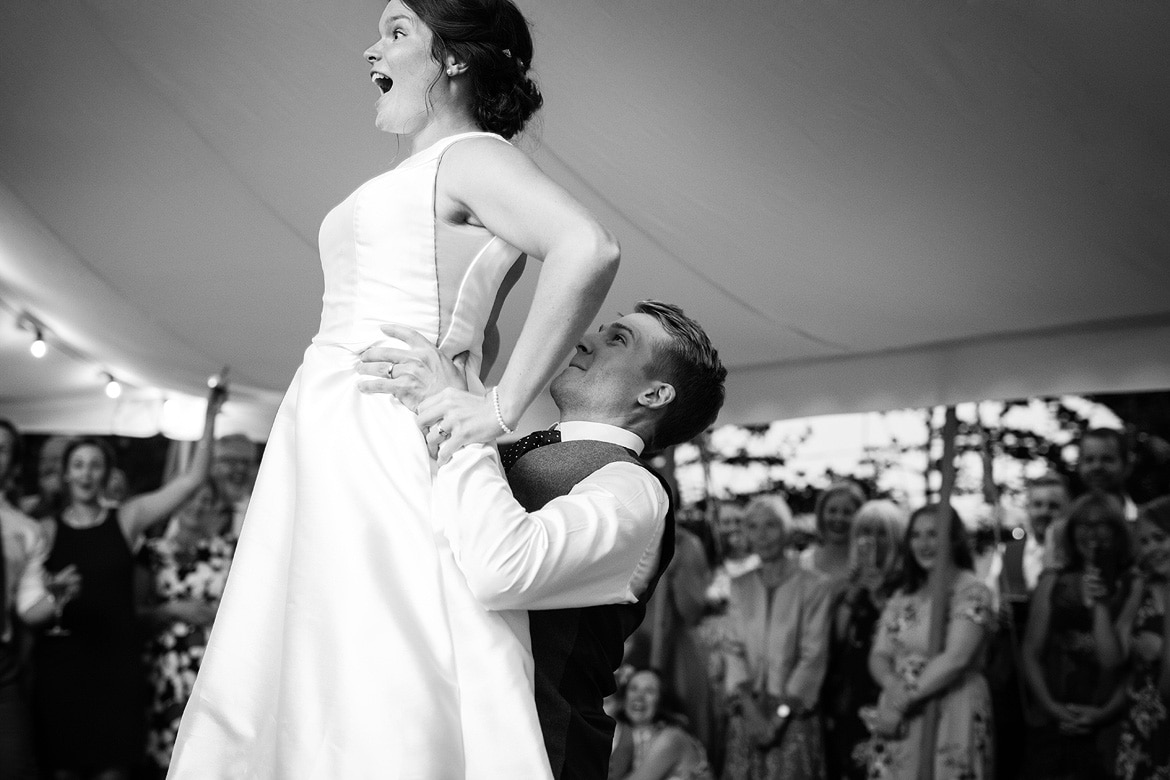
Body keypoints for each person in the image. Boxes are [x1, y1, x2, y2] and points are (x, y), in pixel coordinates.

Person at [170, 2, 622, 774]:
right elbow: (485, 331)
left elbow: (588, 247)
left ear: (453, 58)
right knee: (316, 650)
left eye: (397, 30)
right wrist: (469, 370)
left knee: (378, 647)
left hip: (380, 433)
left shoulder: (473, 156)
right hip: (329, 430)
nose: (371, 47)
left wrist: (497, 407)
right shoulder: (427, 170)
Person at [359, 299, 726, 778]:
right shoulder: (499, 443)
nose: (584, 339)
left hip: (538, 753)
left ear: (655, 394)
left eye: (618, 339)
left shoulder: (636, 489)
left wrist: (467, 433)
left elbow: (504, 569)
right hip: (429, 732)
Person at [32, 386, 223, 780]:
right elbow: (27, 601)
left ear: (106, 473)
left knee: (114, 770)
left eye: (95, 465)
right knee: (63, 770)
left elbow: (191, 481)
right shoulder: (46, 531)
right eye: (79, 465)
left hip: (116, 665)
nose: (87, 473)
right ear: (67, 473)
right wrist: (54, 595)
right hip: (64, 666)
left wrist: (210, 414)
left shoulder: (126, 518)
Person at [860, 504, 995, 780]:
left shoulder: (971, 591)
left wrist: (901, 702)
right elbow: (880, 654)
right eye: (916, 535)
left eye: (933, 534)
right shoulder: (903, 595)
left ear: (953, 537)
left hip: (951, 704)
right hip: (901, 710)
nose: (924, 544)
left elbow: (956, 658)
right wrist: (891, 686)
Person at [1019, 491, 1132, 779]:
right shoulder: (1053, 581)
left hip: (1112, 721)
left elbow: (1125, 665)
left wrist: (1104, 713)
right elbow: (1031, 652)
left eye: (1101, 524)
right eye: (1083, 524)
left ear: (1117, 531)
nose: (1091, 533)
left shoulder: (1134, 583)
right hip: (1052, 718)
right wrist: (1052, 708)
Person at [721, 494, 831, 780]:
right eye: (753, 527)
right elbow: (732, 649)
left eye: (770, 525)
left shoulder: (815, 586)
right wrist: (749, 709)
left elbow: (813, 656)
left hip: (794, 715)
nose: (762, 535)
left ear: (787, 530)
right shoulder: (740, 585)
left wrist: (780, 716)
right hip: (748, 711)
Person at [137, 480, 235, 777]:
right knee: (169, 753)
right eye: (190, 497)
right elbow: (135, 613)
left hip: (216, 664)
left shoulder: (231, 550)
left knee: (214, 752)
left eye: (206, 500)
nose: (197, 505)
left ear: (216, 508)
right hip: (166, 666)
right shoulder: (153, 553)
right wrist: (172, 609)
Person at [0, 420, 73, 780]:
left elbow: (28, 610)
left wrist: (57, 597)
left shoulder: (24, 528)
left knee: (14, 767)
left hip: (2, 667)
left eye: (1, 449)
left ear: (12, 464)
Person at [821, 499, 906, 780]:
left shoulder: (908, 585)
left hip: (891, 690)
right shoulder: (849, 587)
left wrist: (881, 596)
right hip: (851, 692)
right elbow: (838, 639)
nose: (873, 540)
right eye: (865, 532)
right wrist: (854, 591)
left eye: (882, 532)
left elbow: (903, 638)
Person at [1114, 497, 1170, 780]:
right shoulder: (1141, 590)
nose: (1151, 549)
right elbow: (1113, 655)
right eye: (1144, 542)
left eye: (1160, 538)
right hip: (1143, 726)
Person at [609, 668, 715, 780]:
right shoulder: (628, 735)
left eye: (649, 691)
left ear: (661, 700)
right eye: (633, 689)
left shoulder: (671, 737)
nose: (639, 697)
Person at [799, 481, 866, 585]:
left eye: (847, 512)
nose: (839, 518)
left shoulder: (866, 567)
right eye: (832, 511)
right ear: (821, 515)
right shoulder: (802, 563)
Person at [208, 433, 256, 537]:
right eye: (232, 461)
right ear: (213, 464)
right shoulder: (195, 509)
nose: (241, 469)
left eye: (246, 462)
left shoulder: (260, 512)